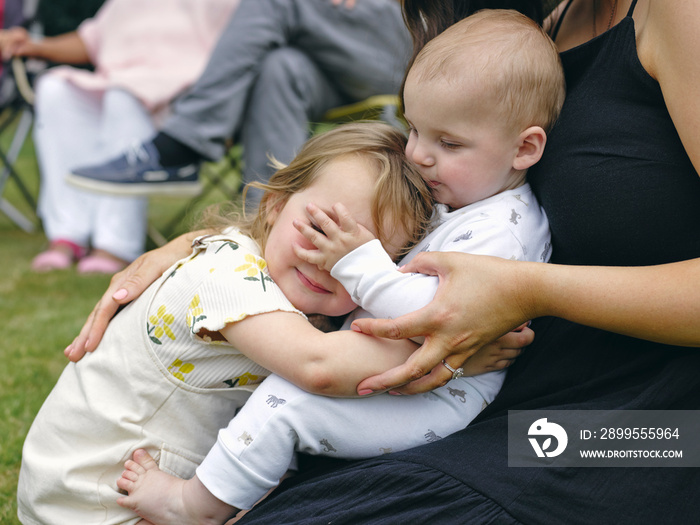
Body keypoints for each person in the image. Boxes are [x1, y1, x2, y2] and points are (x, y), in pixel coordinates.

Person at [66, 0, 700, 523]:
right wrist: (213, 250)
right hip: (488, 399)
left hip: (636, 432)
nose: (422, 155)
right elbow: (380, 209)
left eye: (443, 142)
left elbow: (423, 300)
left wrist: (527, 289)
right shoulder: (516, 33)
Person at [16, 121, 437, 525]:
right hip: (93, 502)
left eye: (360, 258)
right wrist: (454, 349)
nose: (325, 262)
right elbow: (319, 367)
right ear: (274, 204)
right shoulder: (228, 273)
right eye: (318, 227)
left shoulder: (282, 281)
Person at [64, 0, 412, 208]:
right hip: (324, 58)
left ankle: (181, 146)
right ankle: (266, 223)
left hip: (402, 41)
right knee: (278, 68)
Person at [0, 0, 241, 273]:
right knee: (55, 89)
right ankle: (67, 233)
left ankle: (116, 244)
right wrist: (34, 46)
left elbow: (238, 54)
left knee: (122, 97)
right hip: (119, 80)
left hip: (180, 100)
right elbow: (92, 40)